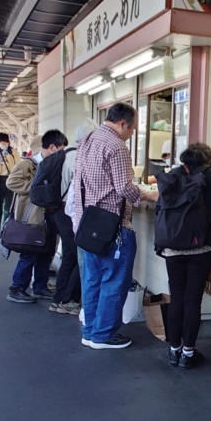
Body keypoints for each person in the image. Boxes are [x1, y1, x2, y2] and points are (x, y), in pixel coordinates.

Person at [73, 102, 159, 349]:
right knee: (114, 280)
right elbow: (123, 187)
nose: (131, 134)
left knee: (92, 280)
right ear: (123, 123)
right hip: (113, 226)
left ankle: (90, 331)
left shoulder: (88, 140)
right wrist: (147, 195)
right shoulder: (116, 145)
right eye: (132, 129)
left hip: (89, 224)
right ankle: (104, 335)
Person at [163, 143, 211, 369]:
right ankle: (188, 353)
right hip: (201, 245)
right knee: (193, 300)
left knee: (177, 297)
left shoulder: (172, 175)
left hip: (172, 245)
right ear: (209, 159)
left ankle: (174, 351)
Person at [6, 132, 68, 303]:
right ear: (52, 148)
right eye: (60, 150)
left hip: (50, 215)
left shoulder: (57, 163)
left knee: (46, 252)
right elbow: (11, 182)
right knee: (30, 253)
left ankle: (40, 286)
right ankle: (16, 288)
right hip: (32, 217)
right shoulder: (28, 164)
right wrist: (37, 188)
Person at [51, 118, 99, 316]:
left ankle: (60, 299)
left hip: (59, 210)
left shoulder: (65, 154)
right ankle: (69, 300)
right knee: (79, 257)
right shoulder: (78, 157)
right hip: (70, 212)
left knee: (70, 256)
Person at [0, 132, 18, 233]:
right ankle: (4, 230)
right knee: (7, 208)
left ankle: (0, 229)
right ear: (8, 141)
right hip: (9, 182)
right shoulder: (14, 152)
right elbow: (19, 168)